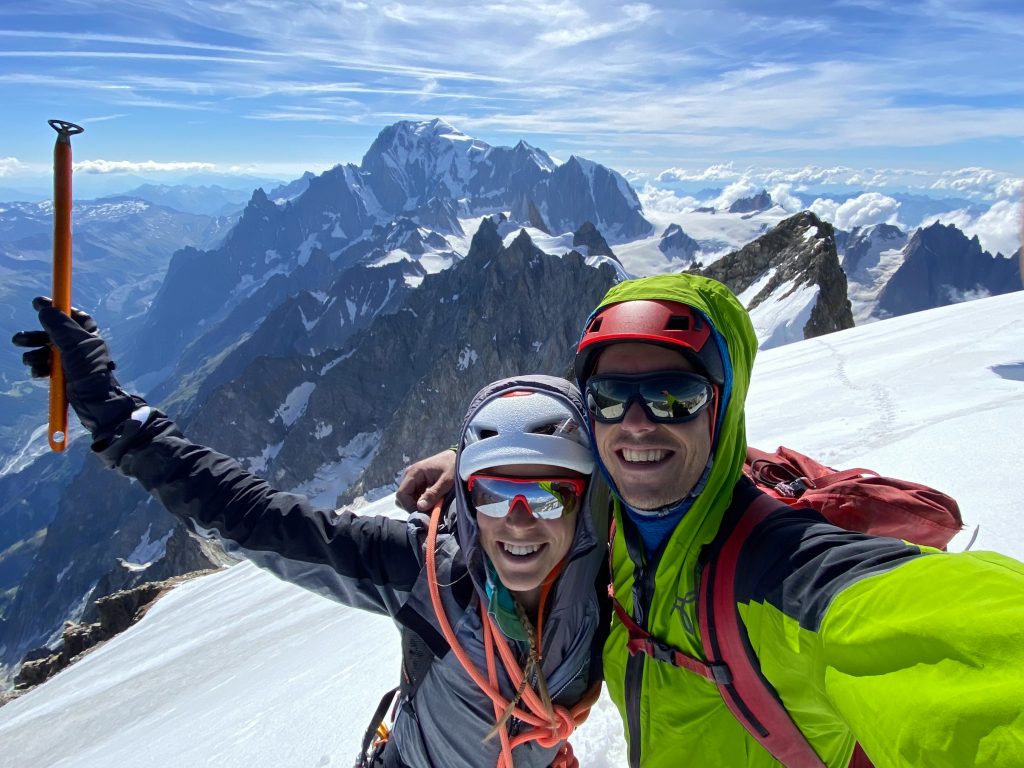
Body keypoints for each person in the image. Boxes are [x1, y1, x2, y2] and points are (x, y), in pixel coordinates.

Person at [398, 273, 1024, 767]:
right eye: (611, 399)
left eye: (676, 397)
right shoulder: (601, 517)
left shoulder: (783, 574)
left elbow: (956, 639)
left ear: (719, 415)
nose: (638, 423)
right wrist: (476, 458)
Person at [12, 298, 608, 768]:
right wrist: (113, 413)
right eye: (497, 493)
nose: (520, 520)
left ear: (586, 502)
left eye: (550, 494)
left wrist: (475, 457)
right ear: (470, 499)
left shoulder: (612, 575)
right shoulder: (425, 573)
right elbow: (249, 515)